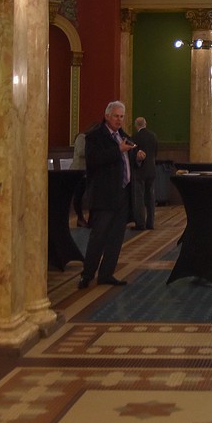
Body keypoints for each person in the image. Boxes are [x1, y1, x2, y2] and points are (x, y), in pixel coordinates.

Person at [79, 101, 136, 289]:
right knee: (99, 237)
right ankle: (87, 274)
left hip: (122, 194)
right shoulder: (95, 137)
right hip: (104, 195)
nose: (119, 120)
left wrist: (138, 155)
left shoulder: (123, 136)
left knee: (116, 237)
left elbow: (128, 158)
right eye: (116, 116)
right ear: (107, 116)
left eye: (121, 116)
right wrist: (118, 150)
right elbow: (94, 160)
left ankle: (106, 273)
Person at [130, 116, 158, 230]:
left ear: (136, 125)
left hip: (140, 170)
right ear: (145, 124)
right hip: (152, 169)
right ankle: (150, 223)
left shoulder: (135, 137)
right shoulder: (153, 136)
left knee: (139, 197)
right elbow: (155, 152)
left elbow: (132, 154)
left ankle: (140, 223)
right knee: (150, 196)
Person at [70, 125, 92, 227]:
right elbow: (81, 152)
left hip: (87, 172)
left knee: (89, 194)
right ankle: (80, 217)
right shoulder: (81, 137)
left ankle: (87, 218)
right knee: (78, 195)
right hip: (78, 171)